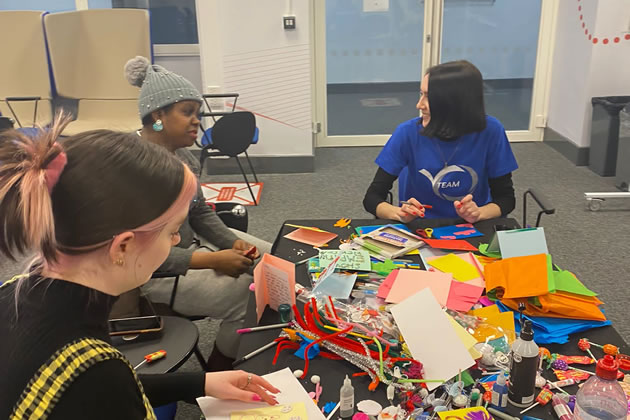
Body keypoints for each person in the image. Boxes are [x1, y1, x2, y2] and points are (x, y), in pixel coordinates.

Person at [0, 115, 280, 419]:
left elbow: (106, 389)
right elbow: (103, 389)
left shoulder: (14, 291)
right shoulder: (95, 372)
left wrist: (200, 382)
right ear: (123, 246)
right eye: (172, 232)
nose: (176, 242)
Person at [124, 56, 272, 369]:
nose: (197, 121)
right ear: (157, 116)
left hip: (193, 250)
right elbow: (139, 255)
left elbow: (201, 212)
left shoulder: (185, 159)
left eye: (198, 113)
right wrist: (212, 260)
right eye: (187, 112)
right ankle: (217, 374)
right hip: (154, 274)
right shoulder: (133, 169)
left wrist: (231, 243)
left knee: (271, 260)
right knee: (249, 298)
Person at [363, 60, 518, 224]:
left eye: (428, 97)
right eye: (421, 94)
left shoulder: (490, 131)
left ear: (455, 103)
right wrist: (398, 213)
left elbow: (506, 199)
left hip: (472, 227)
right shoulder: (407, 133)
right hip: (422, 227)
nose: (419, 105)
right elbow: (372, 198)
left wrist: (478, 213)